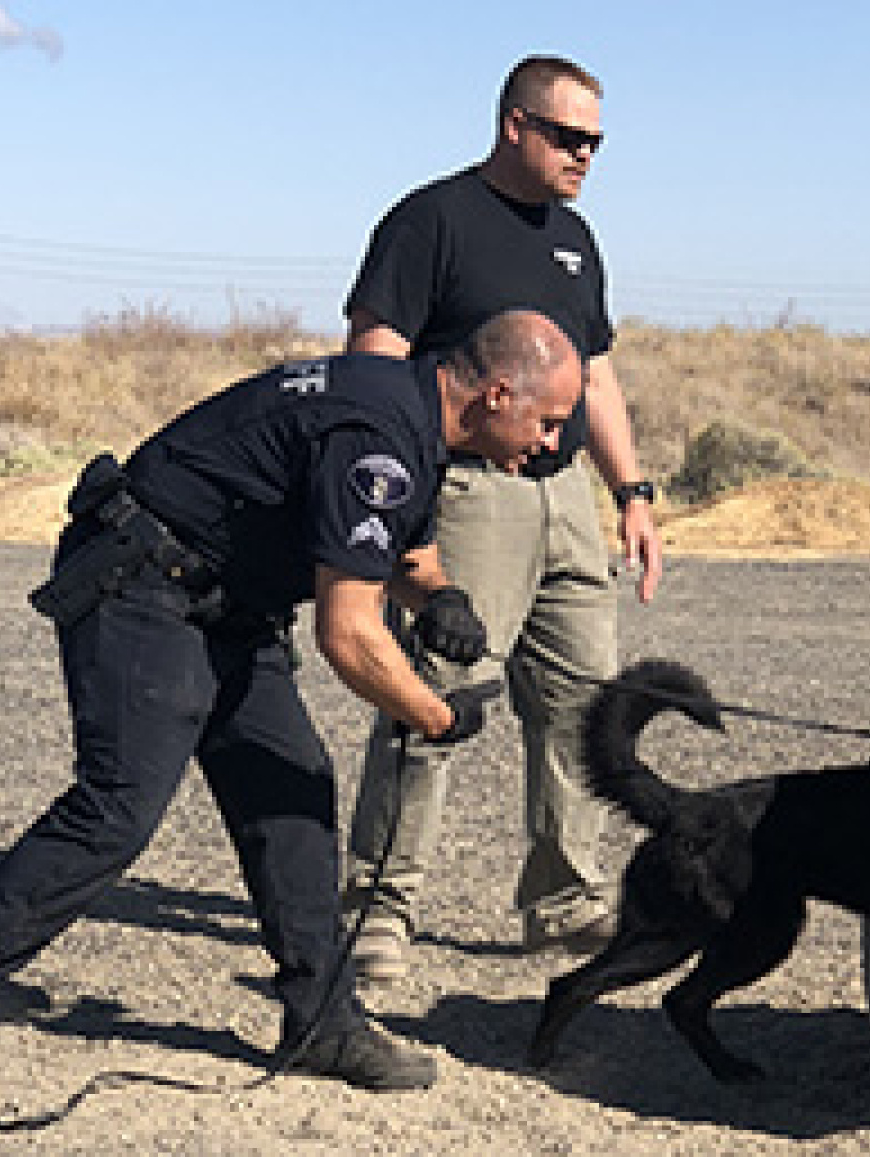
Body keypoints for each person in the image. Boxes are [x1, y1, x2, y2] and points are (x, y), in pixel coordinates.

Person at [0, 311, 583, 1098]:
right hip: (143, 584)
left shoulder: (412, 410)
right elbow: (350, 635)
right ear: (499, 393)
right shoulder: (381, 433)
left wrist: (441, 597)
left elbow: (405, 548)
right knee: (118, 809)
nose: (551, 442)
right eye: (547, 422)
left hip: (228, 605)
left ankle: (321, 1021)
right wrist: (436, 715)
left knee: (292, 789)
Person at [340, 54, 663, 983]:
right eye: (568, 137)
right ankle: (379, 907)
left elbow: (594, 374)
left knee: (580, 700)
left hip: (565, 500)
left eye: (596, 142)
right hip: (471, 489)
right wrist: (393, 490)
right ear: (514, 124)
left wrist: (631, 492)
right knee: (437, 688)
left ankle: (562, 900)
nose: (585, 156)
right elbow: (374, 356)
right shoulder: (431, 220)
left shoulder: (577, 240)